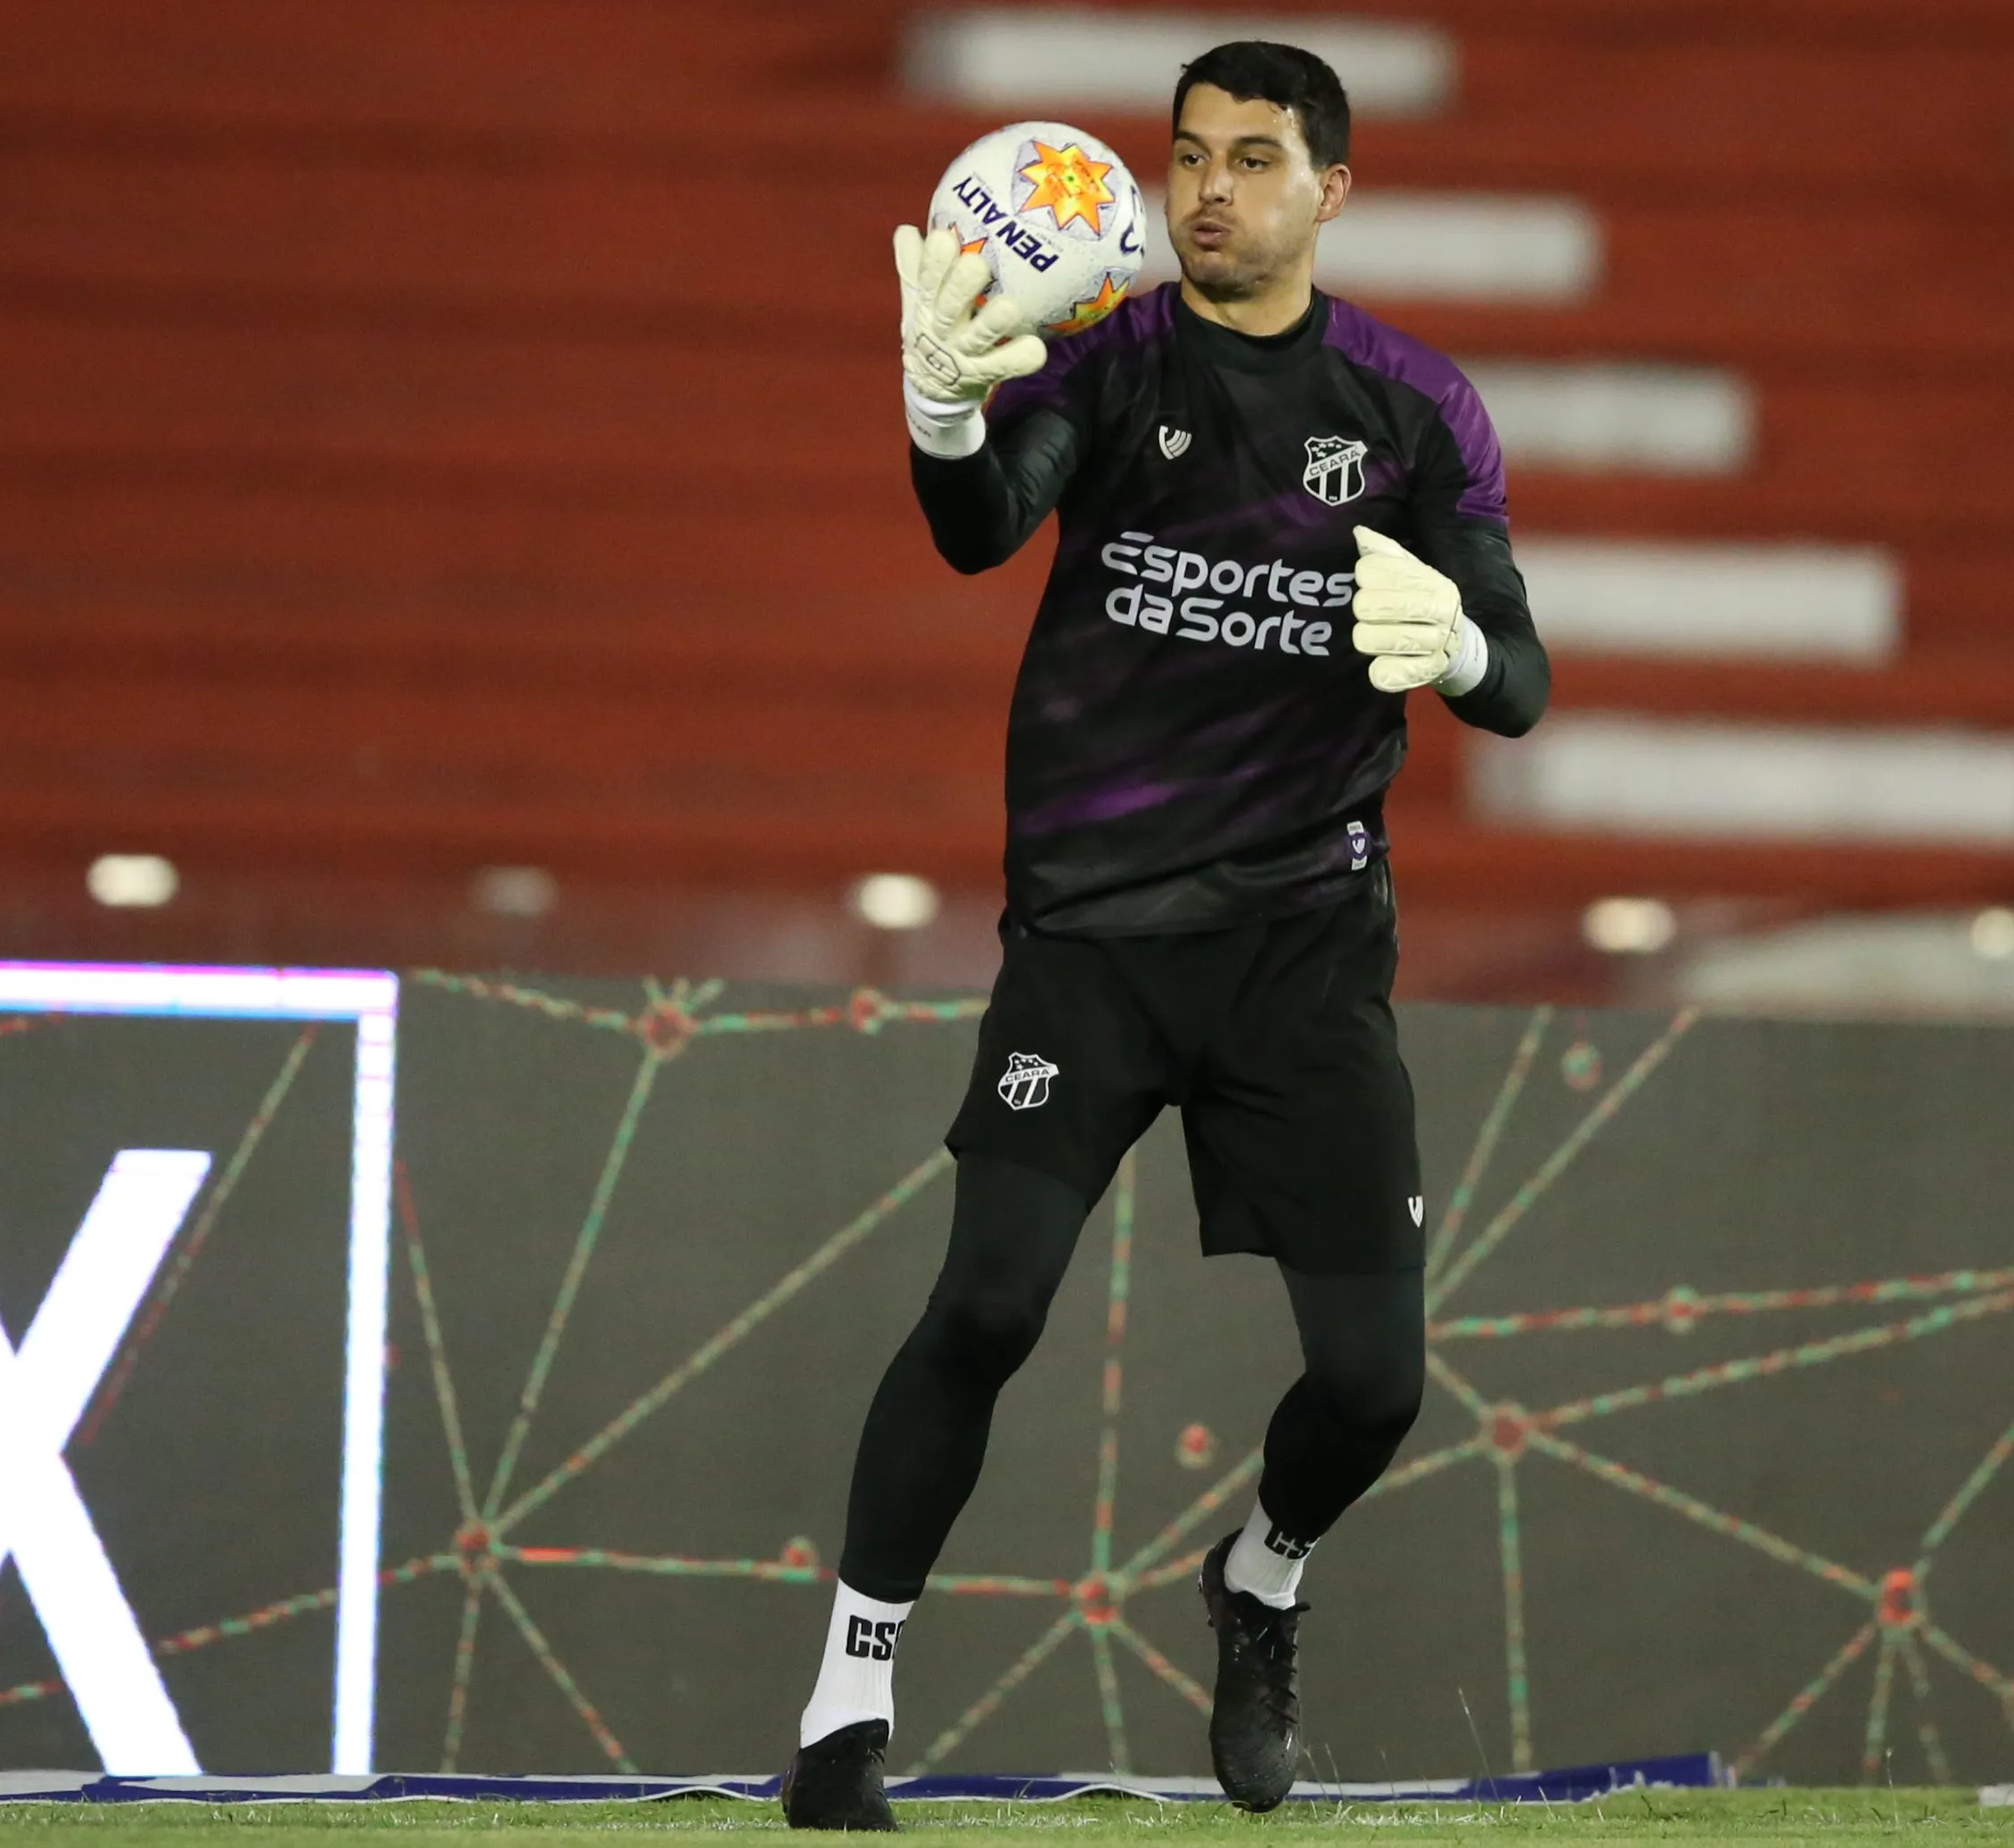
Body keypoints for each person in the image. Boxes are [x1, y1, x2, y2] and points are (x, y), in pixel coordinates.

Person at [780, 39, 1549, 1830]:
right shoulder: (1107, 360)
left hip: (1303, 950)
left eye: (1253, 158)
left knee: (1374, 1383)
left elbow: (1516, 680)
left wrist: (1453, 646)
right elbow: (981, 526)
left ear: (1329, 189)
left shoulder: (1416, 408)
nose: (1210, 187)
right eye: (1189, 155)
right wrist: (943, 413)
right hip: (1095, 940)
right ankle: (843, 1708)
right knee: (986, 1301)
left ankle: (1259, 1575)